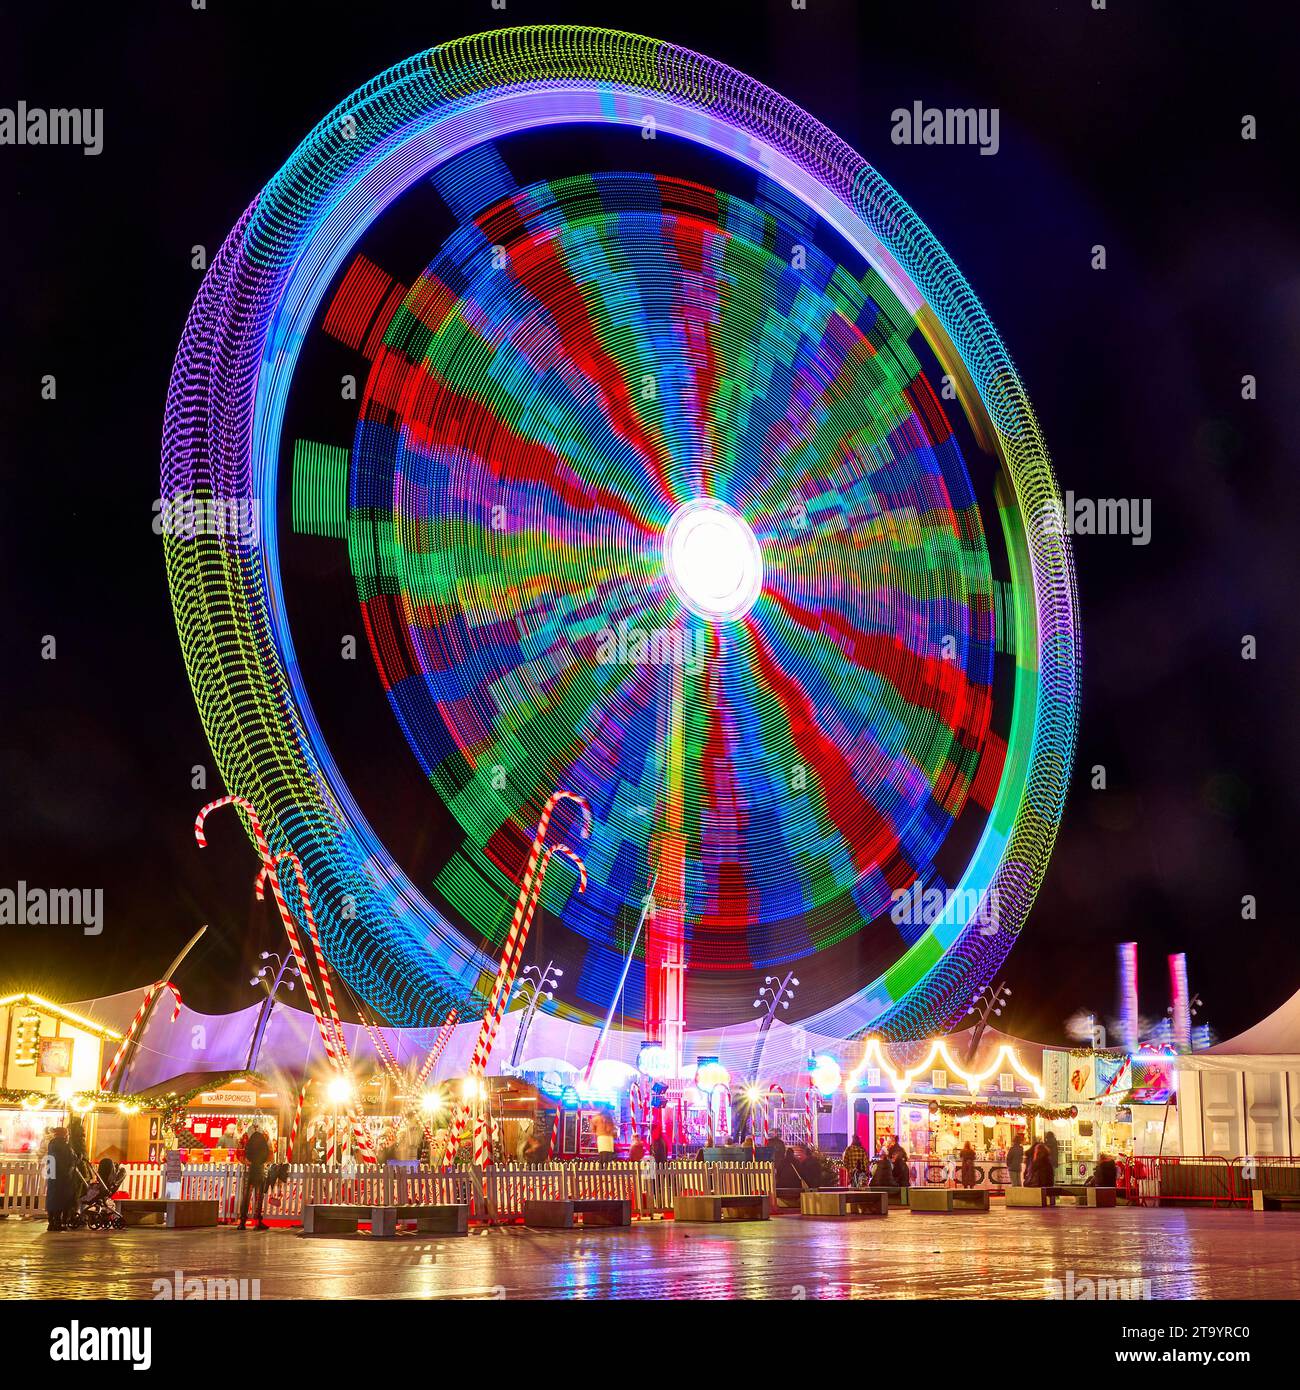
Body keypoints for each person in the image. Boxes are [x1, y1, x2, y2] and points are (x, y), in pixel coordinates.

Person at [238, 1124, 271, 1231]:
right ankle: (258, 1222)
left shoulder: (245, 1137)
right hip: (259, 1168)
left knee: (246, 1196)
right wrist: (262, 1162)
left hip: (249, 1168)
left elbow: (240, 1152)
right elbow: (269, 1153)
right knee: (258, 1195)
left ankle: (242, 1222)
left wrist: (247, 1162)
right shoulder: (264, 1137)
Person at [44, 1127, 74, 1232]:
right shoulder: (65, 1146)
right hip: (62, 1176)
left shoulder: (51, 1144)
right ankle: (59, 1222)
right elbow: (70, 1160)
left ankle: (51, 1222)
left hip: (52, 1174)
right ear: (64, 1135)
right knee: (62, 1198)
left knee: (52, 1197)